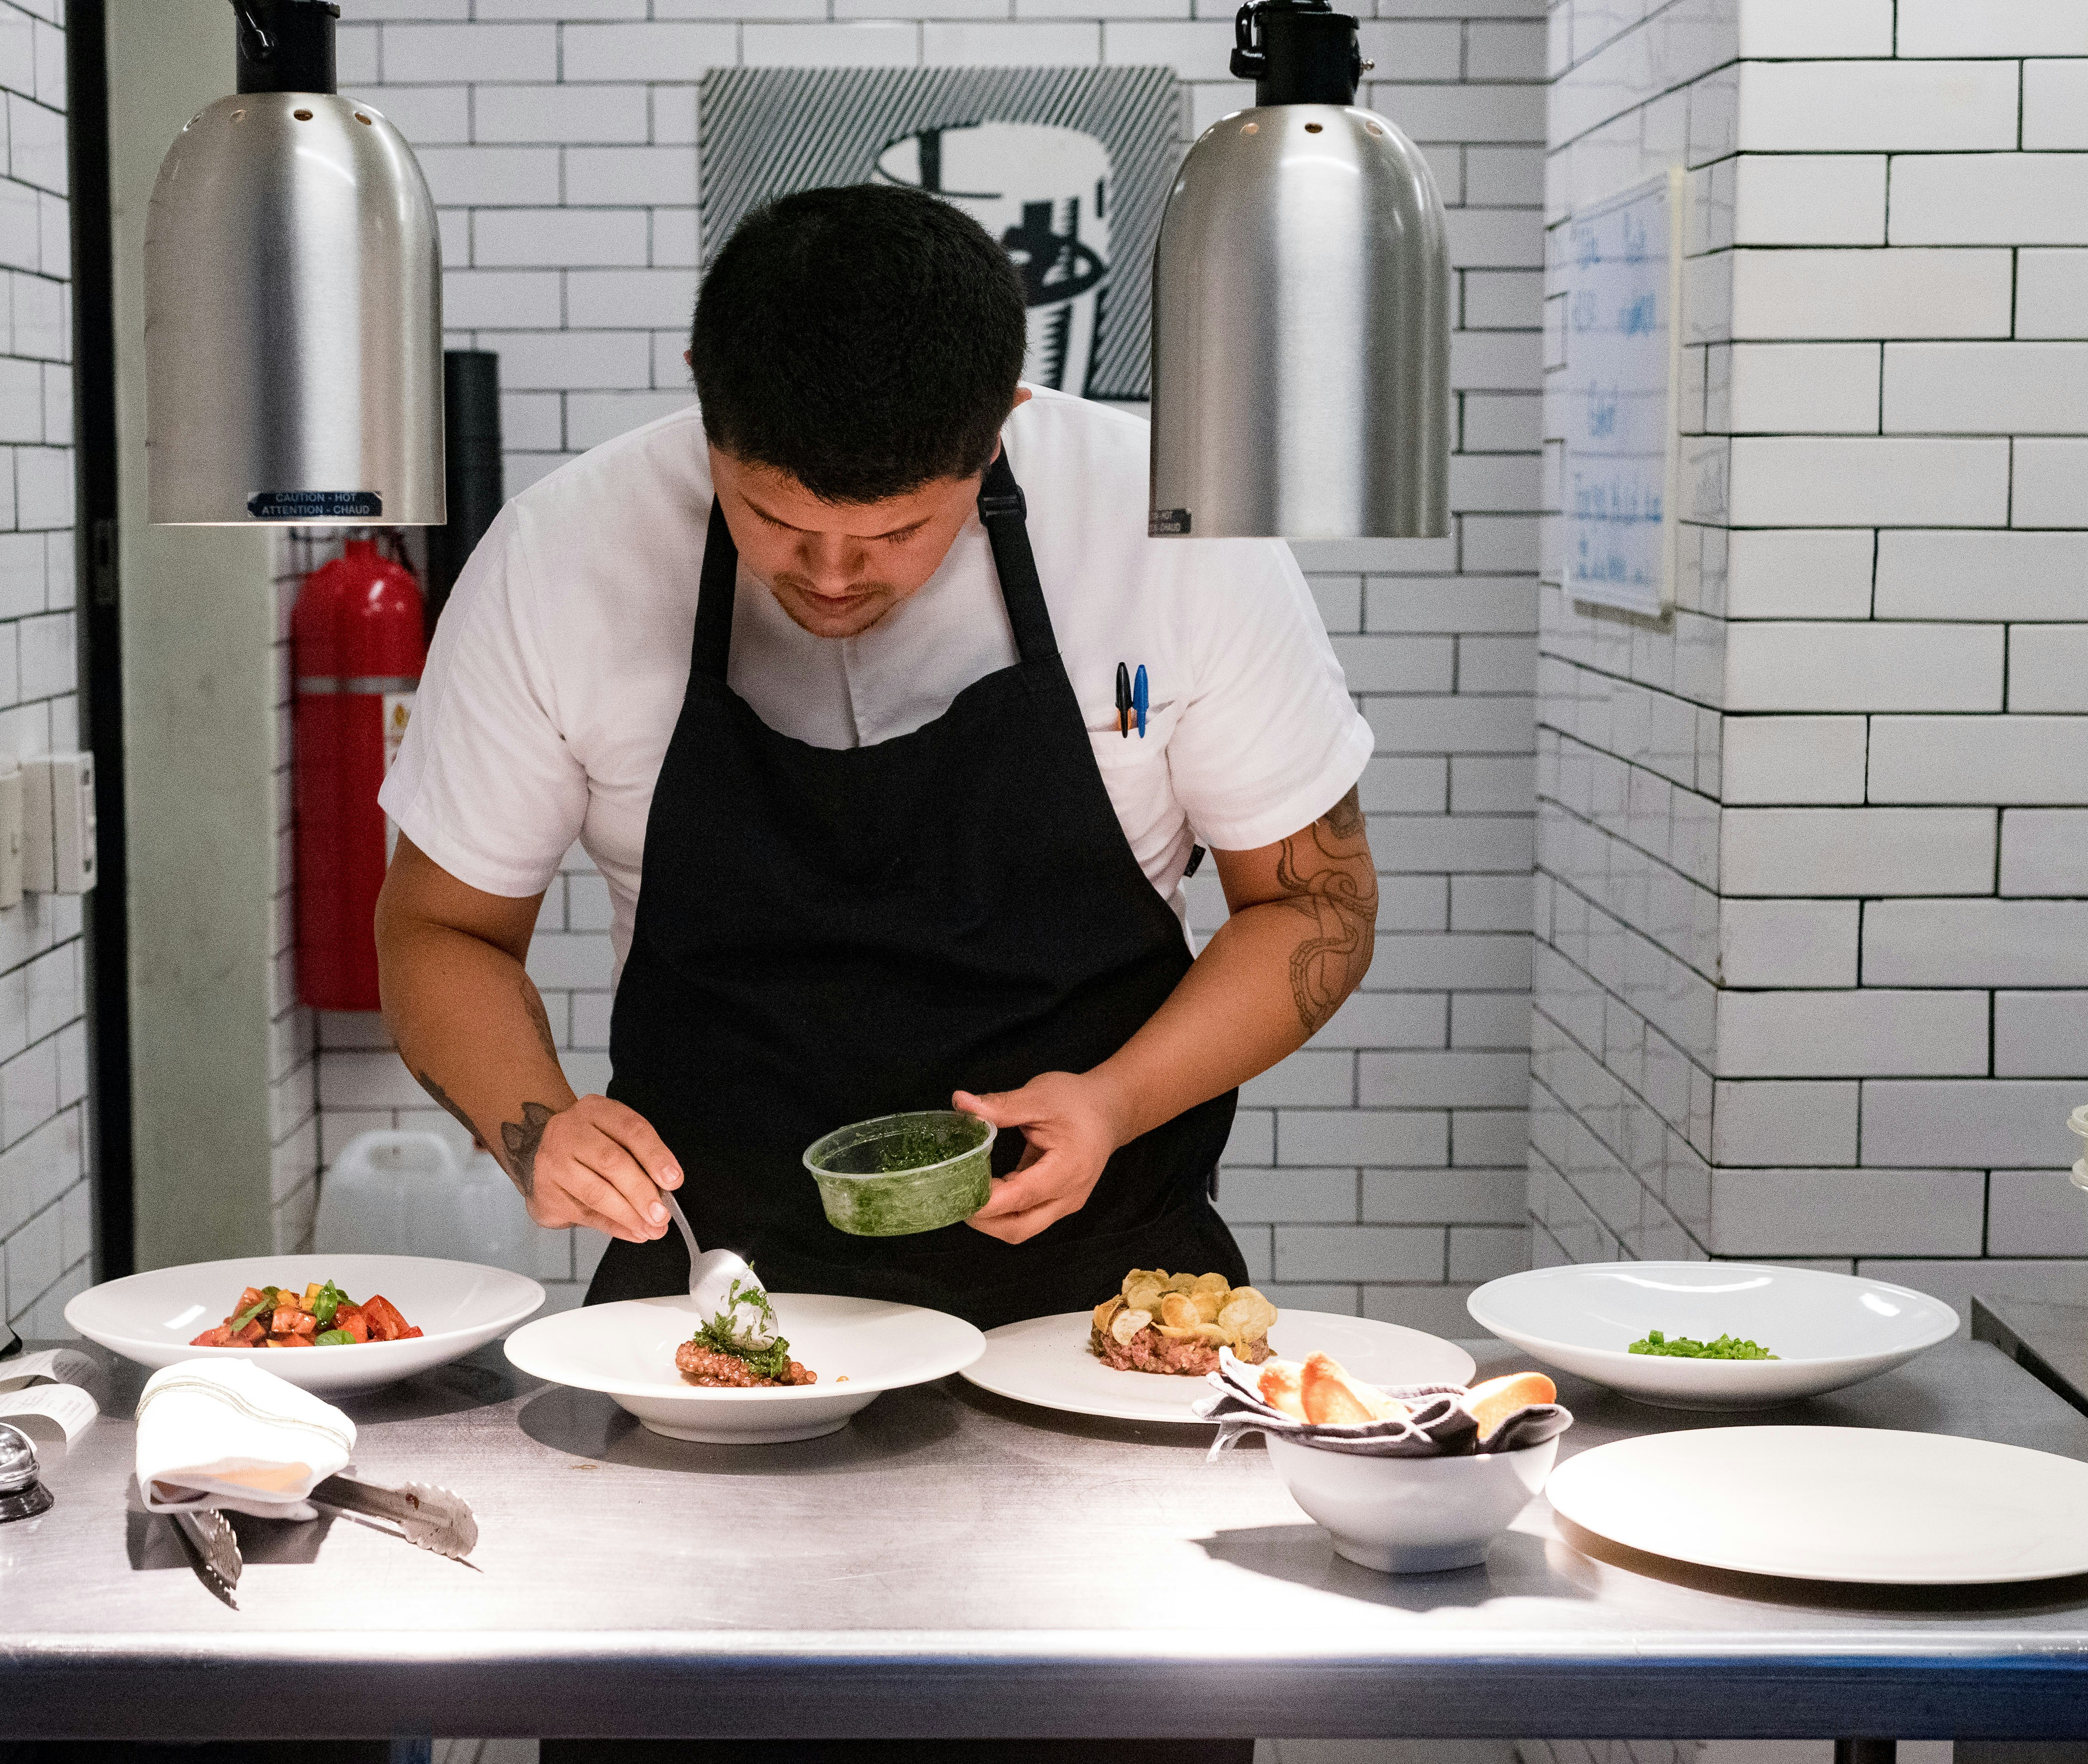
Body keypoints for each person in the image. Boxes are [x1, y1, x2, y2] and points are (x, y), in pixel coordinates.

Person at [374, 183, 1378, 1761]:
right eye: (778, 523)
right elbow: (436, 929)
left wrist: (1114, 1101)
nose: (834, 574)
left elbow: (1313, 905)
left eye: (896, 531)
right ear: (705, 406)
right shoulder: (565, 553)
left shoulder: (1165, 531)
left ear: (1006, 425)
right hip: (710, 1325)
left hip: (1097, 1317)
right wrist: (533, 1121)